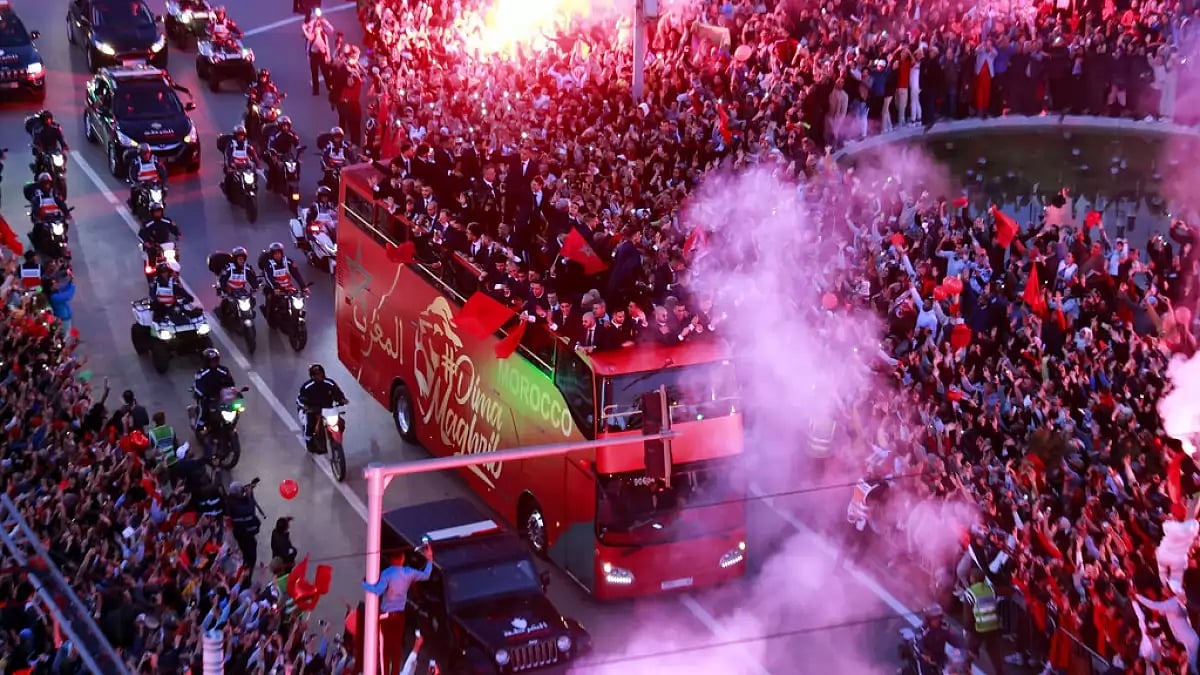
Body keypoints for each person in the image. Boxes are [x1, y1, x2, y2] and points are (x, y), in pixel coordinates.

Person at [363, 544, 434, 675]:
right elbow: (426, 575)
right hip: (399, 616)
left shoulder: (387, 574)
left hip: (385, 616)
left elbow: (377, 590)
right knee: (395, 648)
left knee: (385, 649)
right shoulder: (408, 573)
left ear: (391, 560)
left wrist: (365, 584)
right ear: (402, 558)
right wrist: (429, 559)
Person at [296, 363, 347, 453]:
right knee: (310, 425)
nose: (320, 376)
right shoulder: (307, 387)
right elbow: (300, 399)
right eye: (317, 375)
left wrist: (342, 399)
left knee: (341, 423)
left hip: (328, 410)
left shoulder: (330, 383)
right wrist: (306, 406)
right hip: (313, 410)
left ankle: (334, 438)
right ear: (312, 376)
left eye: (321, 374)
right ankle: (309, 442)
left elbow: (338, 393)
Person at [963, 569, 1006, 672]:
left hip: (979, 627)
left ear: (972, 579)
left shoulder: (969, 593)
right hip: (993, 626)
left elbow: (968, 616)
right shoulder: (991, 589)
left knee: (971, 646)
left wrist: (966, 630)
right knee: (993, 650)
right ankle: (999, 672)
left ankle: (966, 667)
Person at [225, 479, 262, 581]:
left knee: (245, 552)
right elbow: (250, 509)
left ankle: (245, 569)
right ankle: (246, 577)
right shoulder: (238, 508)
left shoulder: (230, 501)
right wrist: (249, 495)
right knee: (251, 556)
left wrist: (248, 491)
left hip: (239, 533)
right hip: (245, 534)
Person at [192, 347, 235, 430]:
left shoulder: (224, 370)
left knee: (235, 408)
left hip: (222, 398)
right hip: (208, 398)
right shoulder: (201, 373)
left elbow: (231, 383)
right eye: (212, 361)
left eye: (215, 360)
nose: (214, 362)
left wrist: (235, 392)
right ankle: (199, 424)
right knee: (204, 412)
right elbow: (198, 387)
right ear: (206, 361)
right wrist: (201, 394)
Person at [918, 604, 967, 670]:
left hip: (941, 658)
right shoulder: (923, 630)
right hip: (926, 661)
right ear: (929, 619)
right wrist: (924, 654)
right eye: (933, 618)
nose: (936, 620)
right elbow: (919, 644)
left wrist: (962, 648)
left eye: (938, 617)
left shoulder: (944, 628)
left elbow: (954, 639)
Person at [217, 246, 261, 316]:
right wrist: (224, 291)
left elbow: (252, 278)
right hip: (229, 290)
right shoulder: (228, 268)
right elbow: (223, 280)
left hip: (241, 291)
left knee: (252, 300)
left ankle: (248, 312)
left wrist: (255, 286)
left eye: (243, 259)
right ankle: (225, 317)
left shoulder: (247, 268)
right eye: (239, 259)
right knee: (227, 303)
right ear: (235, 259)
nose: (241, 261)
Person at [125, 144, 168, 209]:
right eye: (144, 153)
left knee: (164, 191)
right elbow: (132, 174)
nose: (146, 155)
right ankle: (134, 206)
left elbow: (162, 170)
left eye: (147, 153)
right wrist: (136, 183)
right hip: (141, 184)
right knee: (134, 191)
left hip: (154, 183)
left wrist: (164, 181)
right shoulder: (136, 162)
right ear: (140, 154)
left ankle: (161, 202)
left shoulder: (155, 160)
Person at [265, 116, 301, 191]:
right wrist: (273, 153)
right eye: (283, 126)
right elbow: (270, 145)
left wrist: (299, 148)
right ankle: (270, 182)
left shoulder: (292, 134)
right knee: (273, 167)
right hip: (276, 154)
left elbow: (297, 143)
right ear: (280, 126)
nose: (285, 128)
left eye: (287, 126)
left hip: (288, 154)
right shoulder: (274, 135)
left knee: (297, 163)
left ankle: (295, 176)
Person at [303, 9, 334, 96]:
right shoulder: (311, 33)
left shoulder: (324, 33)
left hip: (322, 54)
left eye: (319, 25)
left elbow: (331, 30)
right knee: (314, 73)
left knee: (326, 71)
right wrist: (313, 21)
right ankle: (316, 90)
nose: (318, 26)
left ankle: (329, 86)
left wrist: (325, 22)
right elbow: (306, 31)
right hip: (314, 55)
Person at [222, 124, 258, 194]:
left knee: (254, 172)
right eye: (239, 135)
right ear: (235, 135)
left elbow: (253, 153)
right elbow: (227, 154)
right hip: (234, 165)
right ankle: (228, 191)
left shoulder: (247, 143)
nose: (241, 137)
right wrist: (230, 164)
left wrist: (256, 163)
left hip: (245, 165)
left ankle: (253, 186)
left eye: (242, 135)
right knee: (229, 176)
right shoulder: (231, 144)